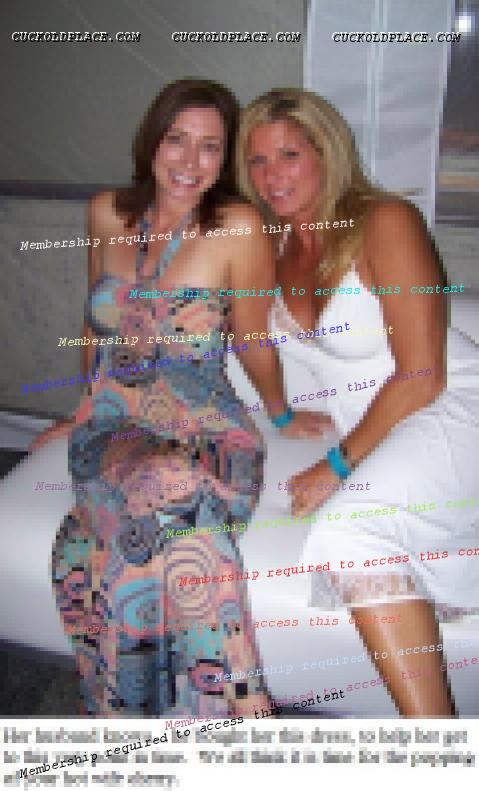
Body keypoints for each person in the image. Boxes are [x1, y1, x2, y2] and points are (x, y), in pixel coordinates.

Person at [34, 79, 329, 717]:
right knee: (157, 487)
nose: (191, 162)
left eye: (210, 147)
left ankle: (142, 713)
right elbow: (95, 326)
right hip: (115, 430)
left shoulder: (237, 228)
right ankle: (239, 702)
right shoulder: (105, 212)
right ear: (152, 141)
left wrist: (279, 414)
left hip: (207, 431)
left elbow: (252, 340)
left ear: (224, 159)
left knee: (159, 507)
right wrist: (79, 412)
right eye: (177, 140)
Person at [236, 87, 479, 717]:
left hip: (450, 405)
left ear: (328, 153)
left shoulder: (385, 222)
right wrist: (280, 412)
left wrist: (338, 463)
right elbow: (249, 338)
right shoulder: (272, 245)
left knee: (349, 528)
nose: (271, 175)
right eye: (257, 160)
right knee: (360, 532)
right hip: (386, 430)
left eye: (289, 155)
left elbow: (422, 374)